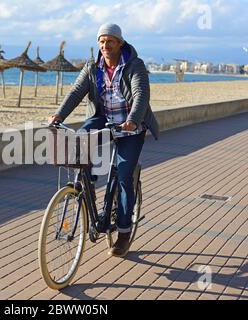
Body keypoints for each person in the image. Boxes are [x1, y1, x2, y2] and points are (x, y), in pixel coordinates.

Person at [48, 23, 160, 258]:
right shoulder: (92, 67)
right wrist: (58, 115)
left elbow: (141, 94)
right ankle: (87, 188)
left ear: (120, 42)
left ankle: (123, 232)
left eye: (110, 41)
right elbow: (76, 92)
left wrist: (132, 119)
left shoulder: (134, 65)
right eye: (101, 41)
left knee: (123, 173)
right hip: (103, 119)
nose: (105, 46)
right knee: (79, 142)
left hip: (131, 126)